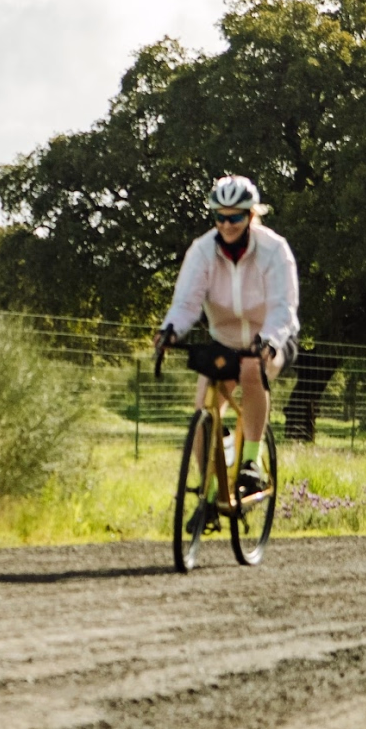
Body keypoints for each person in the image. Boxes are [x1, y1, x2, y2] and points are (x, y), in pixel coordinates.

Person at [154, 175, 301, 498]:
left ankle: (251, 462)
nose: (226, 225)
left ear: (251, 215)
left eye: (234, 218)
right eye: (220, 217)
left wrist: (269, 341)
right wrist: (170, 331)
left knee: (251, 369)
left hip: (272, 338)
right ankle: (208, 494)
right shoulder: (202, 251)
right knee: (203, 412)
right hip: (225, 340)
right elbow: (186, 303)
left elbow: (283, 307)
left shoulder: (274, 250)